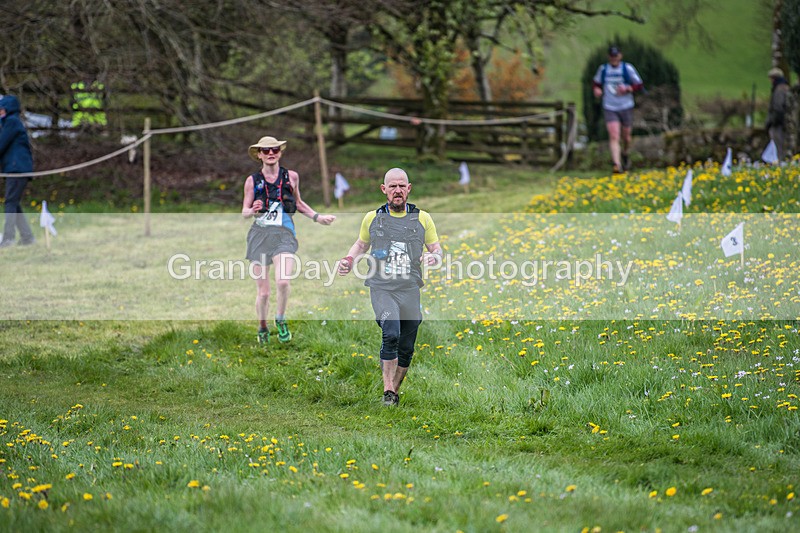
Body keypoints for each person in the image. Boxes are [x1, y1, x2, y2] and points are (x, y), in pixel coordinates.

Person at [338, 168, 442, 406]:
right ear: (384, 189)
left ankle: (393, 393)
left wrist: (434, 257)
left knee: (407, 346)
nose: (398, 191)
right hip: (382, 287)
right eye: (393, 186)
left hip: (409, 289)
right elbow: (361, 244)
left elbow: (436, 249)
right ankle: (387, 391)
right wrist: (349, 259)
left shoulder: (422, 218)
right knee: (391, 331)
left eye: (402, 186)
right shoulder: (372, 218)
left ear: (409, 189)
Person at [241, 136, 335, 345]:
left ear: (280, 152)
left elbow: (299, 203)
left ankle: (281, 318)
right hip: (259, 237)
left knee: (283, 281)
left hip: (284, 234)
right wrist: (252, 210)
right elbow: (244, 212)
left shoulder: (291, 177)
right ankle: (262, 326)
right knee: (263, 293)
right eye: (266, 151)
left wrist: (318, 217)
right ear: (259, 154)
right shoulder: (252, 181)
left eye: (274, 149)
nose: (271, 153)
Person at [592, 45, 644, 174]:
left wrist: (628, 89)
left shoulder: (627, 68)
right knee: (614, 135)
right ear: (608, 57)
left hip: (626, 106)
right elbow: (596, 83)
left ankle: (625, 153)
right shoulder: (603, 69)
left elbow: (639, 84)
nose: (614, 58)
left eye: (616, 56)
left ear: (620, 56)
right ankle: (617, 165)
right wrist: (597, 90)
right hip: (610, 106)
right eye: (611, 56)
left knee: (626, 136)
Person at [0, 95, 35, 249]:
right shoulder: (10, 122)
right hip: (15, 168)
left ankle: (8, 239)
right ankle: (27, 238)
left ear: (8, 110)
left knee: (10, 202)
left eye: (2, 110)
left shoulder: (12, 122)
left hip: (17, 169)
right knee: (14, 203)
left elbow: (1, 144)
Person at [766, 67, 790, 161]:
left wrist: (771, 122)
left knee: (778, 147)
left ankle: (780, 163)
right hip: (786, 123)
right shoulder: (786, 88)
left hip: (779, 124)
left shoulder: (779, 90)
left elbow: (778, 108)